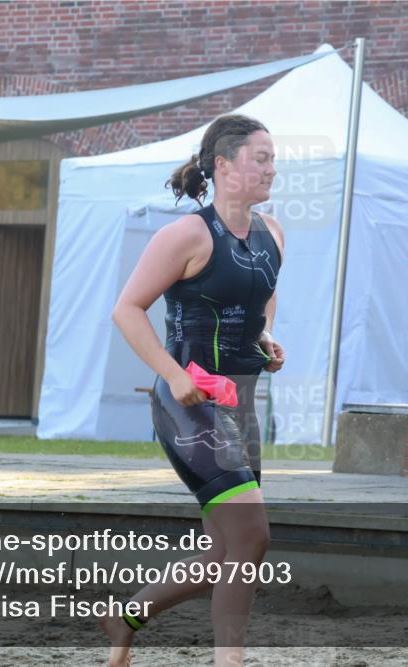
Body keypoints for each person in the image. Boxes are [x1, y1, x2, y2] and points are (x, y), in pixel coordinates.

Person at [102, 114, 285, 667]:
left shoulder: (272, 232)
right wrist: (176, 374)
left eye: (275, 159)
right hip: (187, 405)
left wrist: (267, 337)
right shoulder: (185, 234)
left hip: (242, 405)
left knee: (222, 551)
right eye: (262, 158)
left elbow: (261, 300)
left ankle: (128, 615)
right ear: (224, 166)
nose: (272, 169)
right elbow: (127, 310)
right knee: (251, 538)